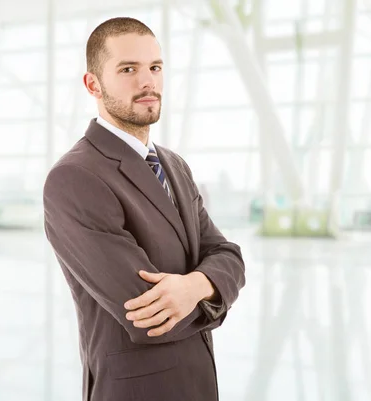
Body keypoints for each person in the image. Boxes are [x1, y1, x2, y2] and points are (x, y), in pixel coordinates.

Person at [43, 17, 246, 401]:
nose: (147, 81)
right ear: (93, 85)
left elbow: (229, 256)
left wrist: (194, 286)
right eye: (127, 70)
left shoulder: (174, 166)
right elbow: (148, 316)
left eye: (154, 67)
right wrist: (218, 287)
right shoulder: (74, 178)